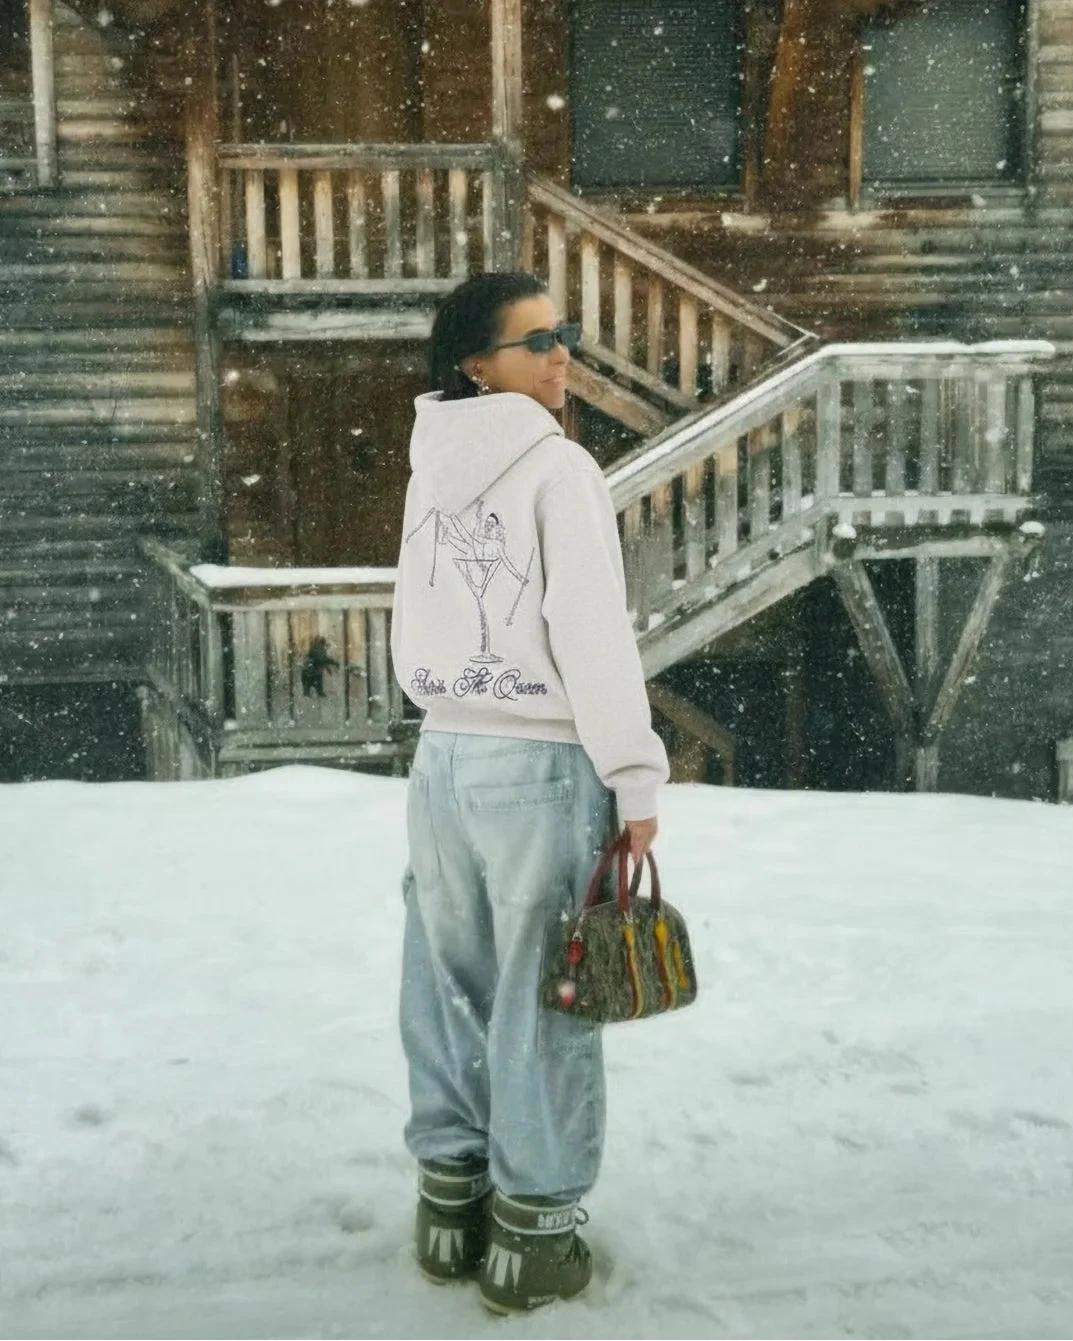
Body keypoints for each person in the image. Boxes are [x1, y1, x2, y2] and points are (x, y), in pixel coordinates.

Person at [390, 271, 669, 1314]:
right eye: (538, 339)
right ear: (476, 363)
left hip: (444, 758)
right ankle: (532, 1235)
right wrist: (633, 773)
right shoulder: (557, 469)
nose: (564, 357)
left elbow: (414, 619)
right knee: (547, 994)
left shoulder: (431, 469)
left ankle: (449, 1203)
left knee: (447, 982)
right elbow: (591, 638)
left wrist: (441, 705)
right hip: (539, 761)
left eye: (567, 336)